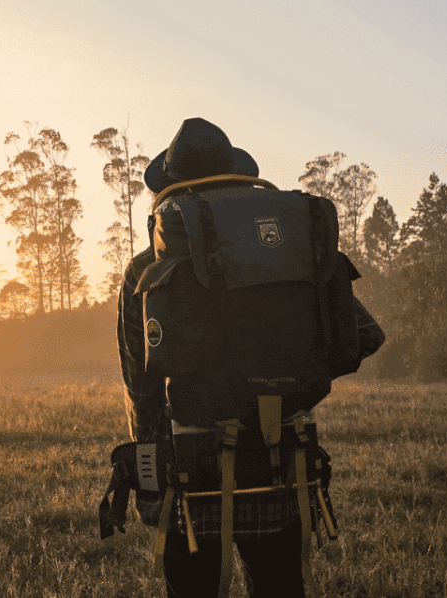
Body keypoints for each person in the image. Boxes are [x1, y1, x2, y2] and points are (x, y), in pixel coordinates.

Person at [117, 118, 384, 598]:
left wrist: (151, 473)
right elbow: (363, 337)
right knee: (280, 586)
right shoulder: (291, 254)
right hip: (282, 457)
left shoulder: (145, 270)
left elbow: (142, 387)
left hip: (189, 469)